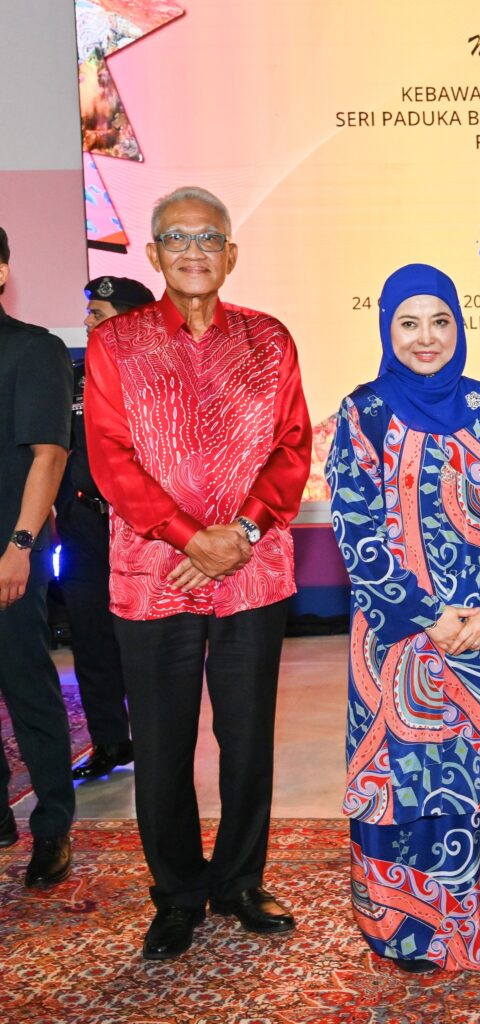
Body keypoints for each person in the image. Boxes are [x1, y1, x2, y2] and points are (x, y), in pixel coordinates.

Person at [85, 187, 312, 960]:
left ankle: (241, 881)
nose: (193, 250)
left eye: (209, 237)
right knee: (162, 743)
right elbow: (111, 458)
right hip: (156, 571)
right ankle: (178, 894)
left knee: (247, 739)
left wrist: (240, 532)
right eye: (177, 238)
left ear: (231, 254)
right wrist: (190, 538)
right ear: (153, 253)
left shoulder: (269, 340)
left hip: (254, 566)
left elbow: (292, 446)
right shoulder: (116, 345)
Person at [326, 264, 480, 974]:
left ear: (459, 326)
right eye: (408, 322)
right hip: (395, 643)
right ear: (387, 329)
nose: (425, 337)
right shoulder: (362, 413)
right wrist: (426, 616)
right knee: (404, 784)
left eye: (440, 321)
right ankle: (408, 930)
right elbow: (356, 530)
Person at [0, 224, 77, 886]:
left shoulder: (34, 350)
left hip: (8, 549)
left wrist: (21, 545)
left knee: (26, 687)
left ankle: (52, 824)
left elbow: (49, 456)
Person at [62, 276, 155, 780]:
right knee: (91, 637)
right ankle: (110, 742)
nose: (87, 321)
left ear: (131, 319)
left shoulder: (163, 378)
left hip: (142, 526)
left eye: (97, 313)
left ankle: (158, 742)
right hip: (84, 525)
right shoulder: (72, 378)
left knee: (147, 640)